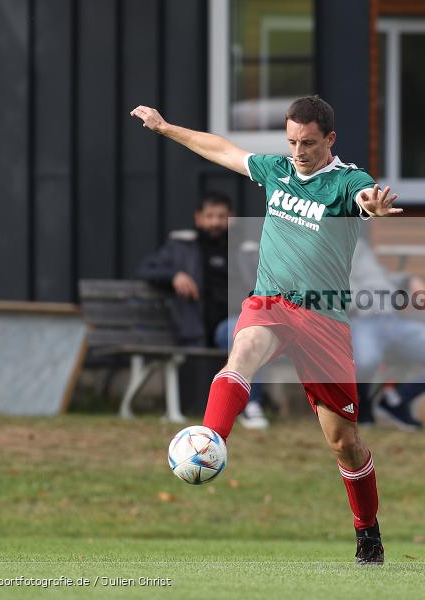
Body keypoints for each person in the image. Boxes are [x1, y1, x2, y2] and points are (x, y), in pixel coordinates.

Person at [130, 95, 401, 564]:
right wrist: (166, 127)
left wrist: (373, 205)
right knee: (243, 350)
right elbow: (222, 149)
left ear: (330, 139)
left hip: (324, 319)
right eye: (292, 141)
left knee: (344, 443)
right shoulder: (277, 170)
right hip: (271, 302)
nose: (298, 152)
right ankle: (211, 440)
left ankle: (367, 532)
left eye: (308, 143)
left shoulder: (346, 181)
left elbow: (366, 196)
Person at [137, 193, 269, 430]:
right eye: (209, 216)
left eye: (221, 216)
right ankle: (250, 405)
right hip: (197, 326)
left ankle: (249, 405)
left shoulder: (245, 250)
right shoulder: (182, 247)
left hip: (236, 322)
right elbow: (146, 269)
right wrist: (174, 275)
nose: (215, 222)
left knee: (249, 333)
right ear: (198, 218)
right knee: (247, 336)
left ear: (232, 218)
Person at [349, 236, 425, 430]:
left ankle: (396, 400)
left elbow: (379, 279)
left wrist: (408, 280)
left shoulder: (357, 245)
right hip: (360, 321)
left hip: (393, 321)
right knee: (366, 361)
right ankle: (362, 407)